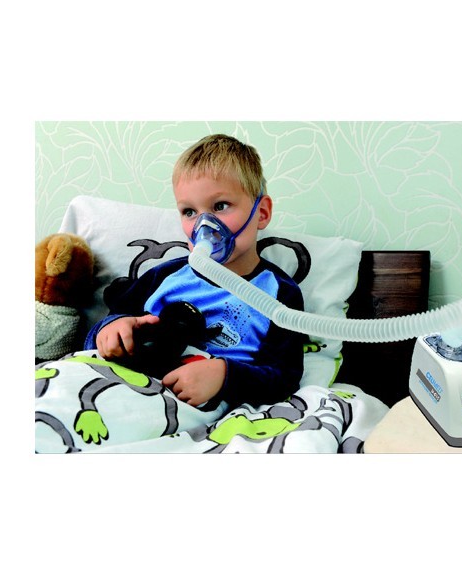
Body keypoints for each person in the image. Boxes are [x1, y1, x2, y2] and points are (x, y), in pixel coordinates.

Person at [85, 134, 306, 409]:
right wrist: (110, 331)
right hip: (131, 389)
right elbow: (102, 332)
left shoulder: (279, 294)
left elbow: (284, 378)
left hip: (203, 409)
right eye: (189, 211)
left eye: (220, 206)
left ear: (261, 212)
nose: (204, 224)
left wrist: (225, 376)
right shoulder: (164, 277)